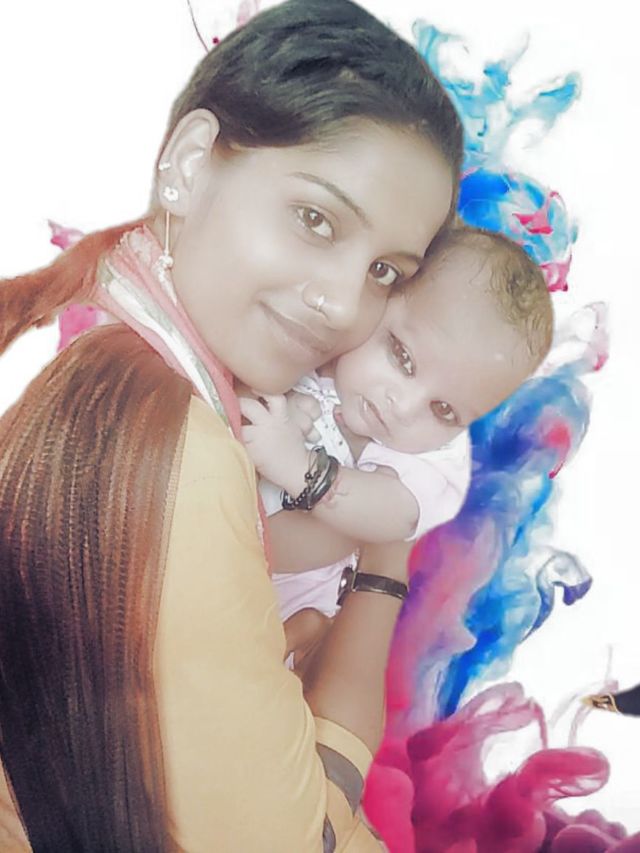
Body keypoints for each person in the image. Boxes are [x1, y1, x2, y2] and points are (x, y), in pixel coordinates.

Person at [0, 1, 463, 850]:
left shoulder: (100, 347)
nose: (344, 304)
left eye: (384, 271)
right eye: (316, 219)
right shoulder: (178, 448)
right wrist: (383, 566)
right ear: (187, 163)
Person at [241, 226, 553, 643]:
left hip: (275, 616)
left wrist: (297, 465)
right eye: (403, 358)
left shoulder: (432, 460)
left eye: (443, 410)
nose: (403, 406)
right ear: (381, 299)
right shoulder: (317, 350)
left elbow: (389, 515)